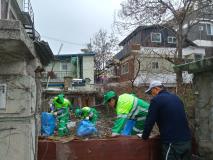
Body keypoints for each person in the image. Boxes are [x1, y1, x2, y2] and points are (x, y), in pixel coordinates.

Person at [141, 80, 191, 160]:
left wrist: (144, 137)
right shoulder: (176, 98)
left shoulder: (156, 100)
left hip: (172, 143)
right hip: (187, 141)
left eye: (151, 92)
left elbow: (150, 121)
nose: (151, 95)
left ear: (156, 89)